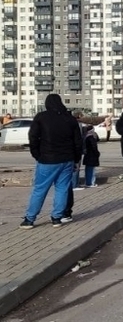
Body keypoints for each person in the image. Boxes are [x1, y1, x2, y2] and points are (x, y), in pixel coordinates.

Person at [19, 94, 83, 229]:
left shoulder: (41, 118)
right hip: (67, 160)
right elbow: (78, 142)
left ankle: (30, 219)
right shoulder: (70, 119)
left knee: (40, 189)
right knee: (62, 189)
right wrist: (76, 159)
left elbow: (33, 137)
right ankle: (56, 218)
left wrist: (36, 154)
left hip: (47, 159)